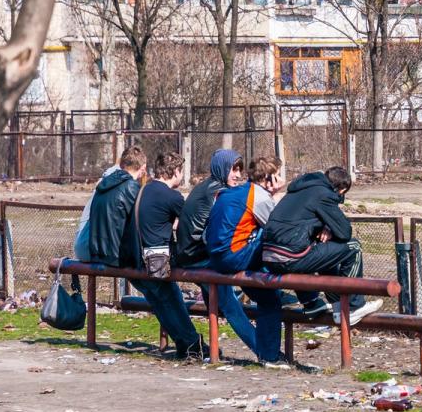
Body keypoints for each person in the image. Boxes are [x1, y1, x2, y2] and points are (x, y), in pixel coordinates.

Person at [263, 166, 382, 326]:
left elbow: (303, 220)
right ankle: (353, 306)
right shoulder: (323, 194)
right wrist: (330, 225)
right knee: (353, 246)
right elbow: (345, 232)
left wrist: (326, 227)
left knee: (326, 248)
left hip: (270, 258)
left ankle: (338, 306)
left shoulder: (297, 191)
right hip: (290, 257)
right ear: (342, 189)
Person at [120, 151, 208, 359]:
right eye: (181, 172)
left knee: (162, 304)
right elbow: (190, 224)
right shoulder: (172, 196)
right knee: (172, 299)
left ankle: (185, 343)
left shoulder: (145, 189)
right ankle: (193, 344)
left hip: (135, 260)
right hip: (156, 261)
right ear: (175, 171)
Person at [203, 156, 287, 367]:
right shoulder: (259, 197)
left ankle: (269, 353)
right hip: (233, 256)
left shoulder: (235, 192)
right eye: (278, 174)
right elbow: (278, 229)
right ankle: (270, 355)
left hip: (217, 256)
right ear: (270, 177)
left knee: (268, 296)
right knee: (279, 245)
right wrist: (274, 195)